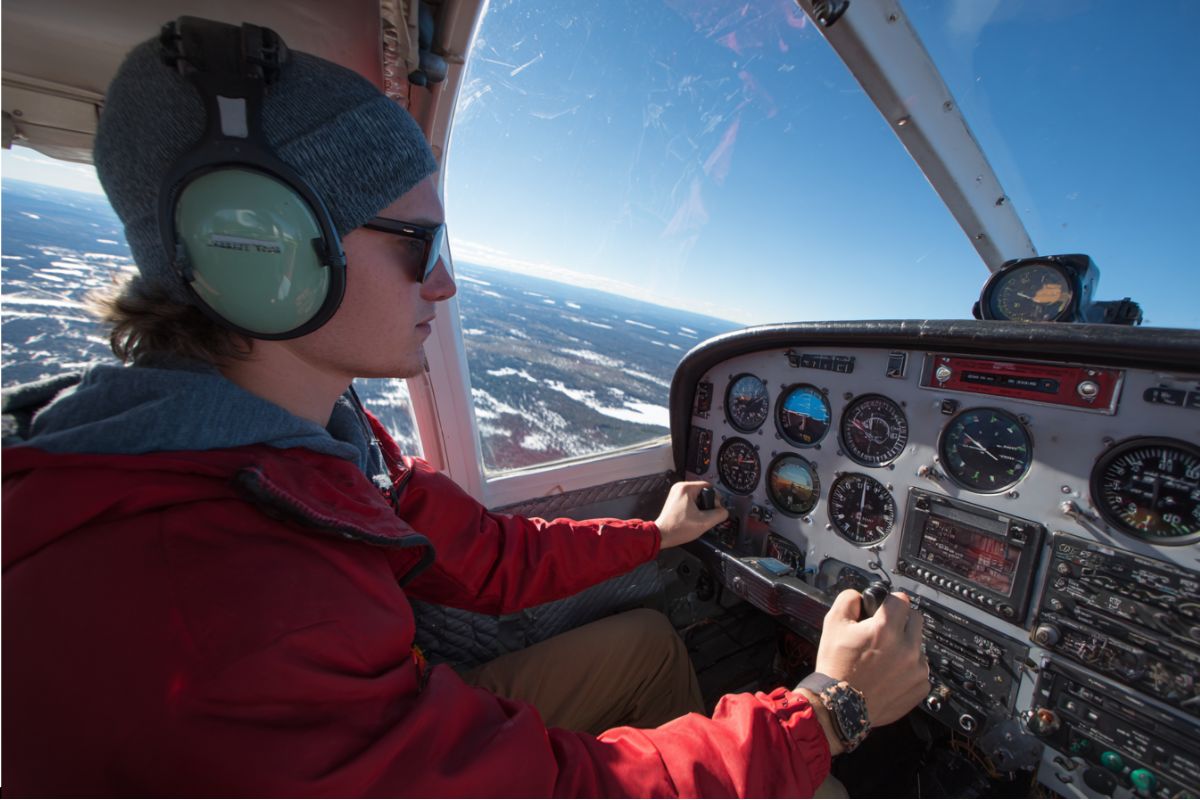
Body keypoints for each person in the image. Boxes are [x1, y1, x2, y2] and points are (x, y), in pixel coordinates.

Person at [1, 17, 929, 796]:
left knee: (647, 643)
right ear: (262, 247)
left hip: (394, 719)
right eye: (417, 243)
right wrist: (828, 713)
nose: (441, 287)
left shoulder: (313, 443)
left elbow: (485, 559)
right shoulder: (218, 609)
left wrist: (658, 536)